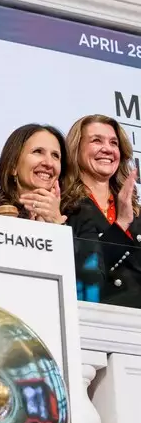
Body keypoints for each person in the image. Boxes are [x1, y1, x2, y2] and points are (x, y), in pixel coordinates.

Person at [62, 114, 141, 307]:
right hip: (96, 315)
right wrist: (120, 226)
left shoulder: (135, 211)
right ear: (76, 149)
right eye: (96, 140)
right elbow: (82, 269)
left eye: (114, 143)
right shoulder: (64, 208)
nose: (107, 149)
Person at [0, 123, 66, 222]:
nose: (49, 163)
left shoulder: (72, 215)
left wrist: (57, 224)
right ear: (13, 166)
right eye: (38, 151)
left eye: (55, 155)